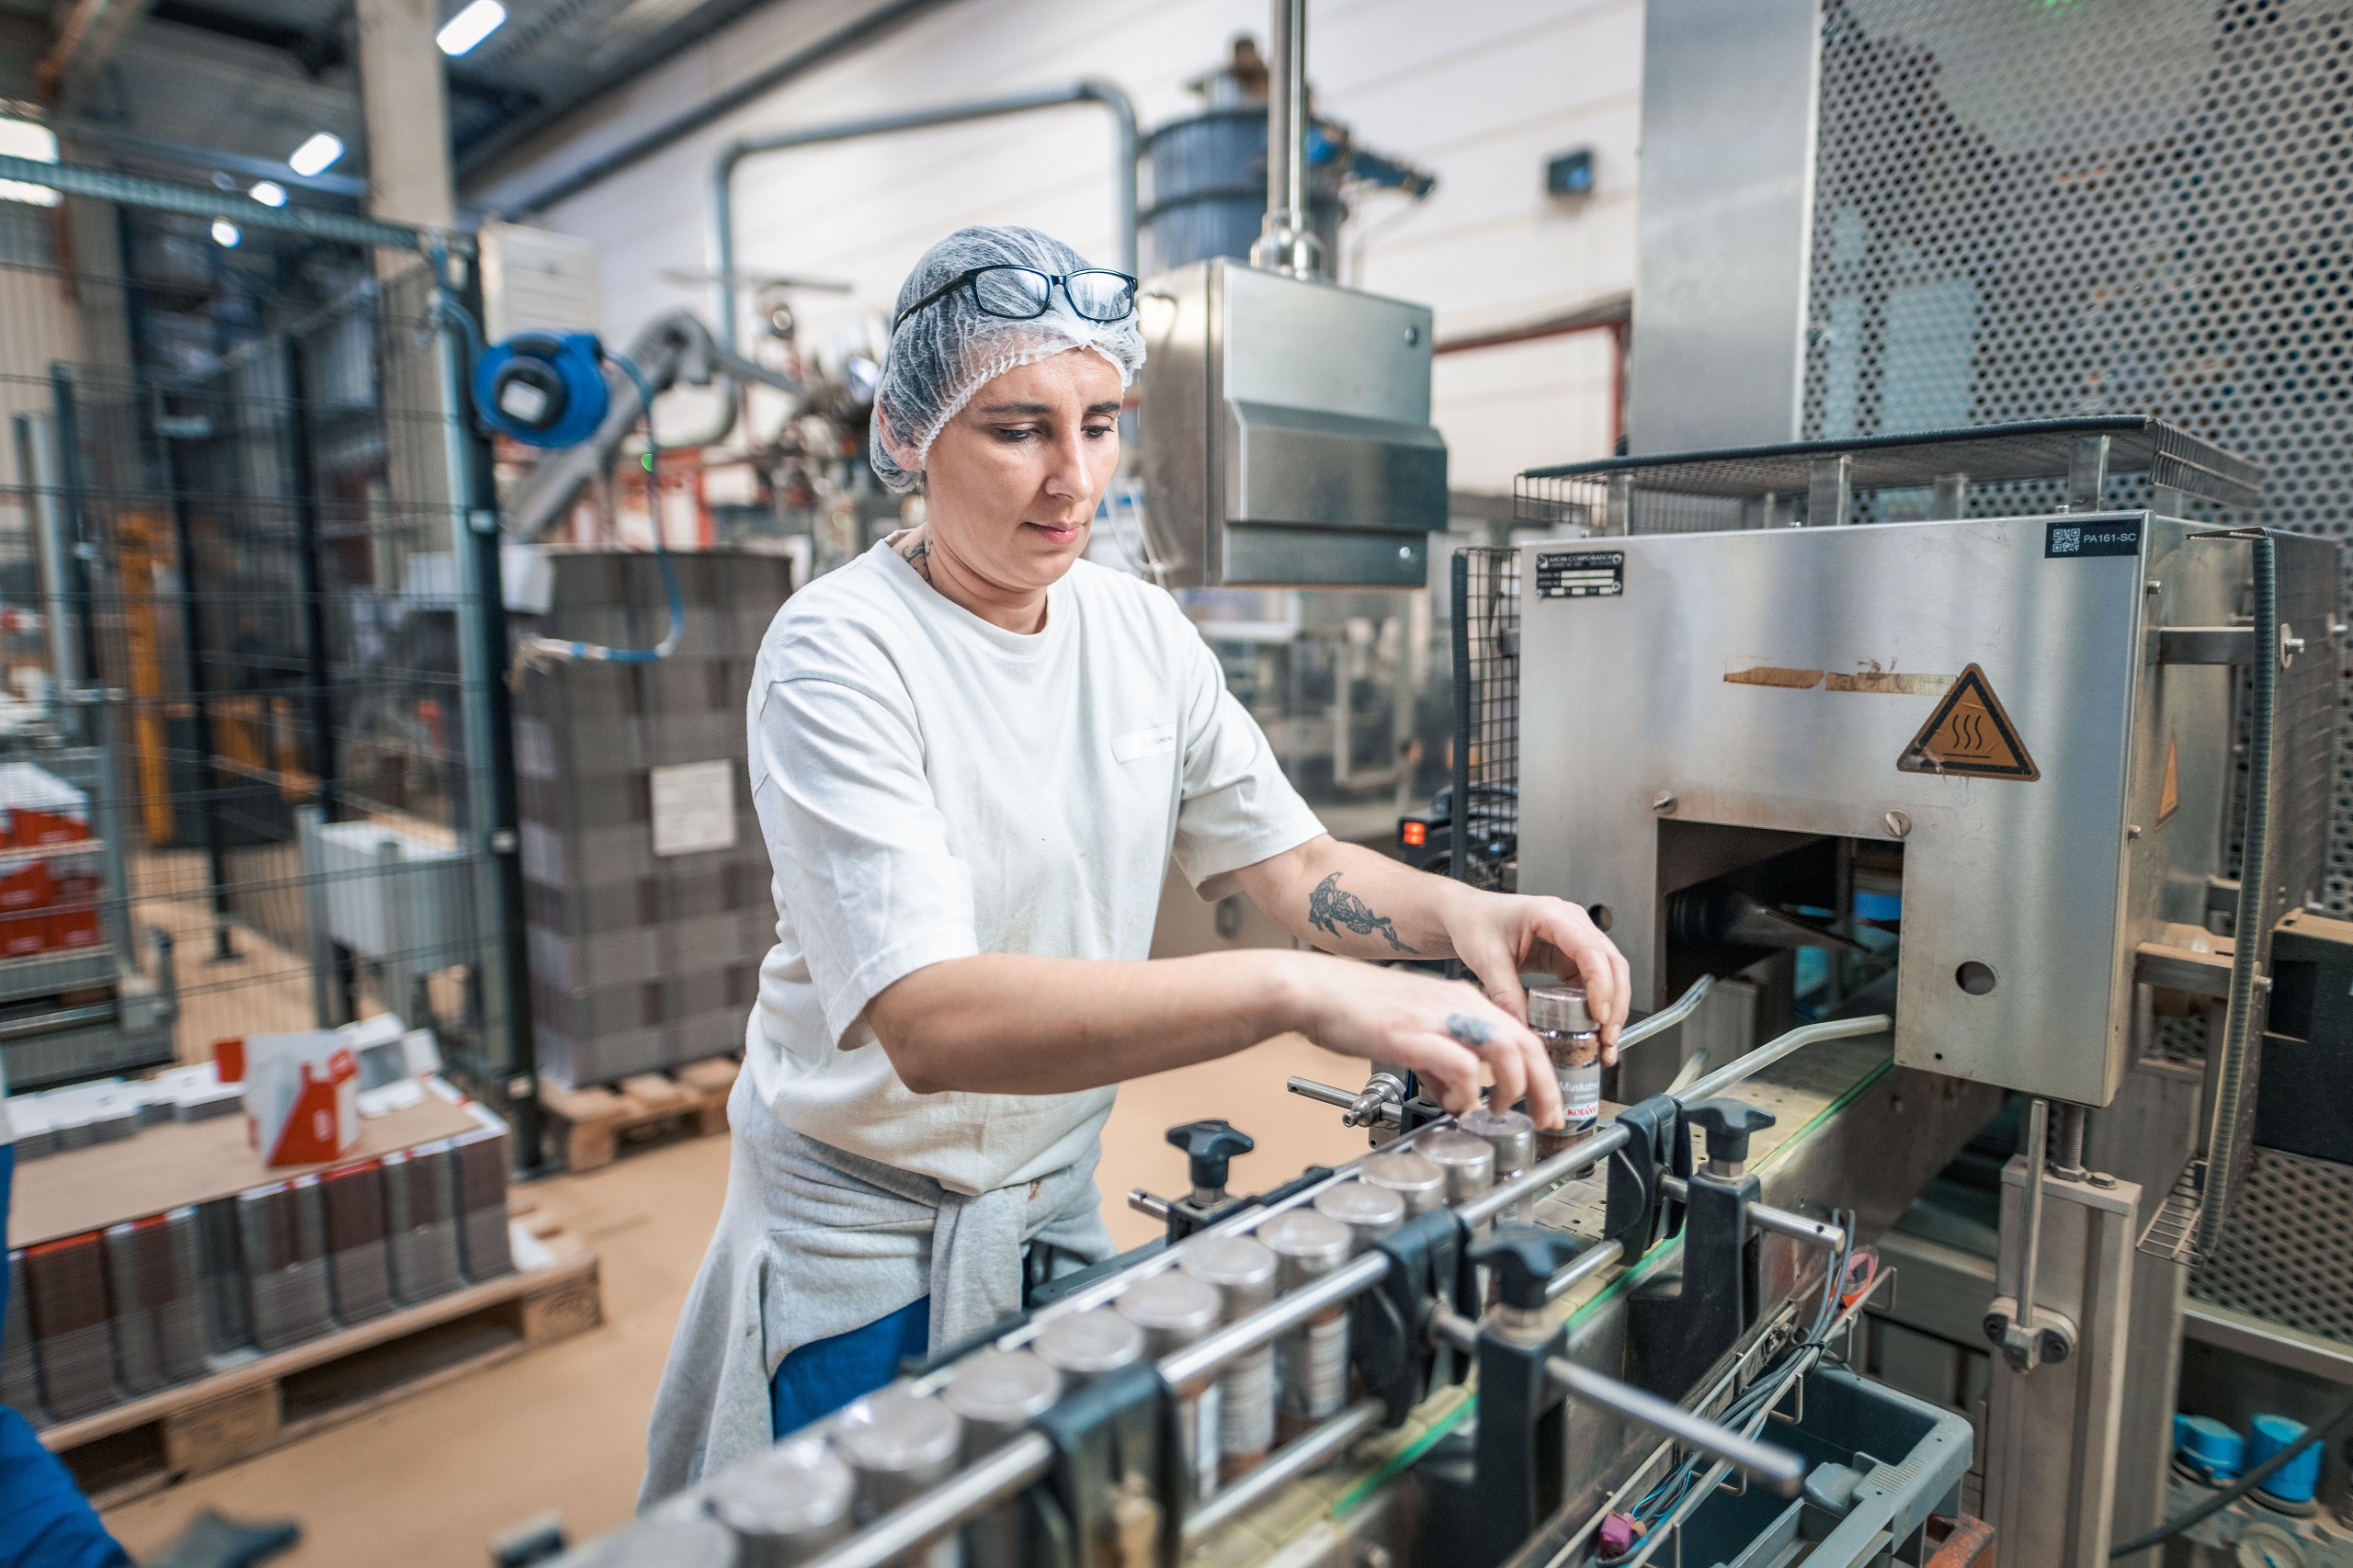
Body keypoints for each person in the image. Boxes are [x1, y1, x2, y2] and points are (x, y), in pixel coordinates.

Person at [641, 224, 1631, 1500]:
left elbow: (1296, 864)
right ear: (911, 434)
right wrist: (1296, 992)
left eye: (1100, 423)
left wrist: (1468, 910)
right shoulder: (839, 652)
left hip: (1051, 1211)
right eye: (1017, 429)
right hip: (871, 1255)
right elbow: (931, 1019)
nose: (1074, 480)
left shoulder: (1135, 627)